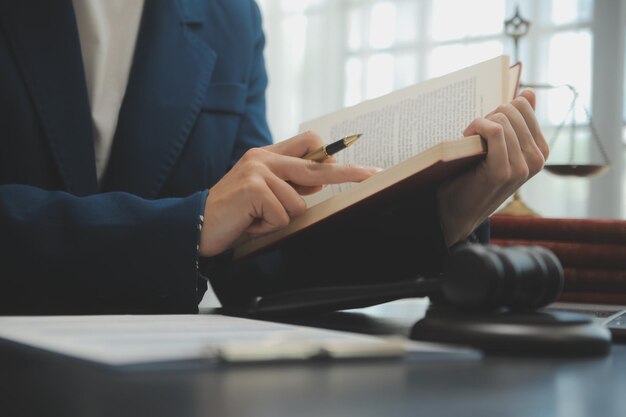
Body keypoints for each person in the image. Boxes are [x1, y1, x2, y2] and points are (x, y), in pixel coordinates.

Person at [0, 0, 548, 315]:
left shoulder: (231, 17)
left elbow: (257, 254)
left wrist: (444, 216)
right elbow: (208, 226)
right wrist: (189, 224)